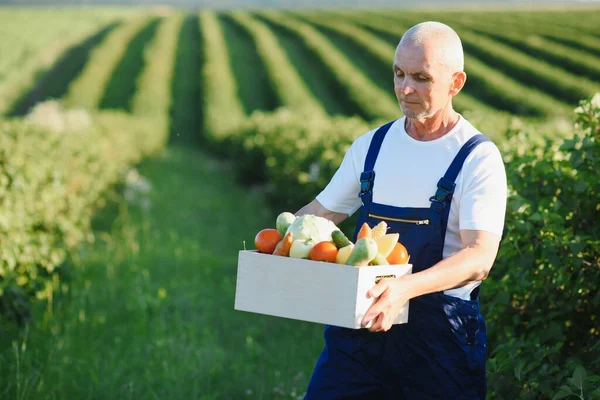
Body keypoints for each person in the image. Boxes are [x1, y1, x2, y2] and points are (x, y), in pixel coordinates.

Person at [296, 21, 507, 399]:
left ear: (456, 83)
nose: (405, 88)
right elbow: (320, 214)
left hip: (440, 340)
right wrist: (279, 244)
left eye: (421, 77)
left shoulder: (476, 157)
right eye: (398, 73)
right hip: (359, 334)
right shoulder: (372, 146)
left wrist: (403, 290)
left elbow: (479, 257)